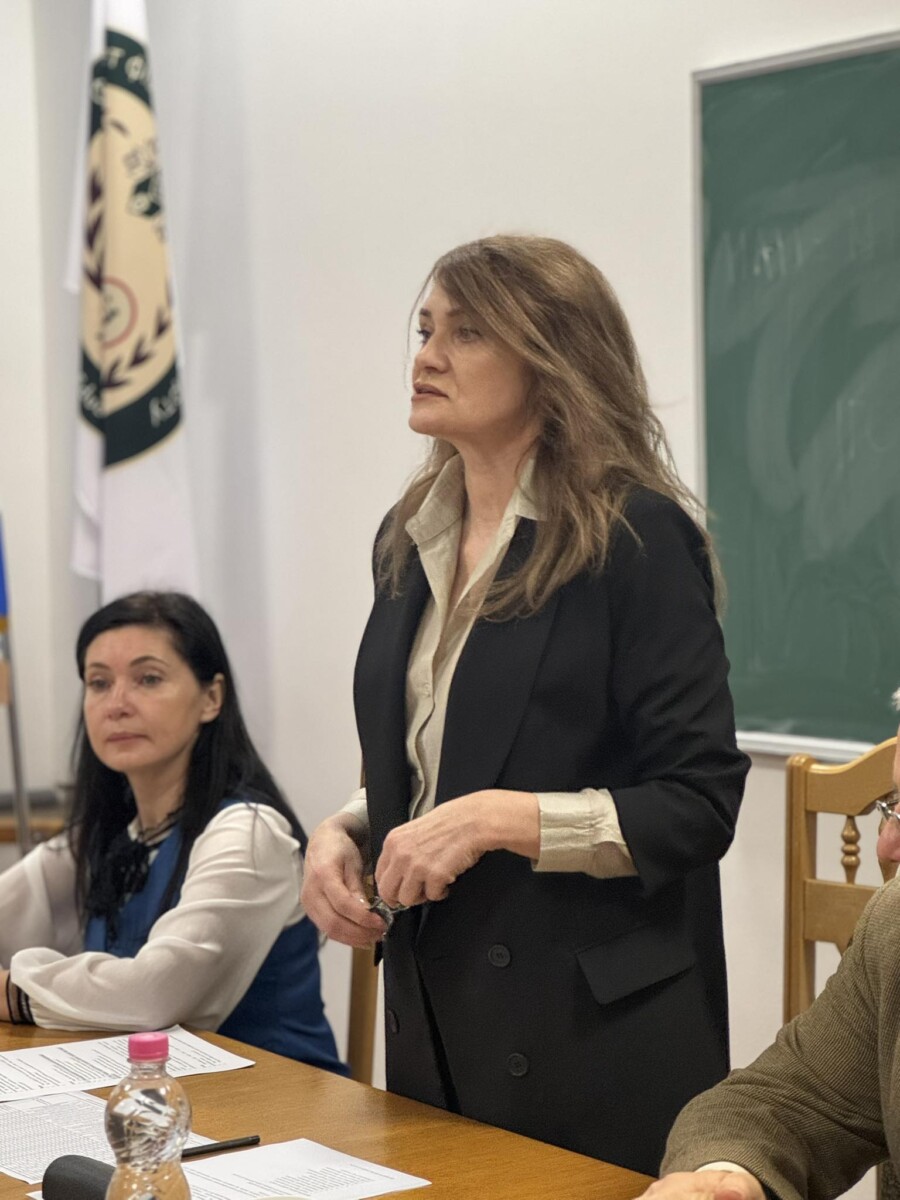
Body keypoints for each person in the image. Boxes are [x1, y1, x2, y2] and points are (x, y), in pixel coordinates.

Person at [301, 234, 750, 1174]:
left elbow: (699, 803)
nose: (427, 355)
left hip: (590, 1041)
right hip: (437, 1019)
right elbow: (435, 753)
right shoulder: (406, 537)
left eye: (467, 334)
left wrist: (496, 821)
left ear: (553, 360)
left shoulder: (636, 537)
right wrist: (352, 824)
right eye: (426, 329)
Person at [0, 591, 345, 1073]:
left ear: (211, 698)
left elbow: (153, 995)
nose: (117, 704)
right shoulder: (107, 835)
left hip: (276, 1103)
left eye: (148, 679)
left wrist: (14, 991)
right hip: (152, 1097)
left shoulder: (249, 833)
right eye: (99, 683)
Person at [645, 723, 900, 1200]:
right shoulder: (894, 923)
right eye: (896, 803)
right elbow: (789, 1102)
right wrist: (727, 1178)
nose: (886, 845)